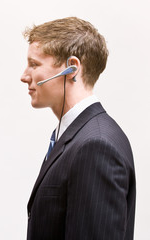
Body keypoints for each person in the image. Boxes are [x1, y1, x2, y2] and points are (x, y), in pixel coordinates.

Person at [21, 17, 136, 239]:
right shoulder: (77, 136)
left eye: (34, 64)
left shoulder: (96, 145)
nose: (24, 76)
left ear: (71, 69)